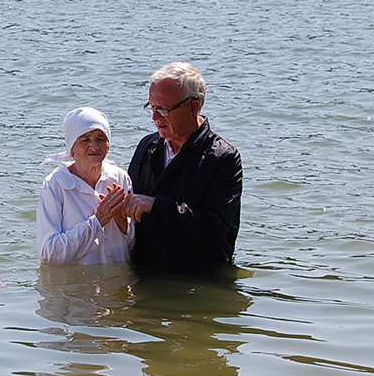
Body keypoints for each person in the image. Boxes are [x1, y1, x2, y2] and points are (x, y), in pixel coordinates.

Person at [123, 62, 242, 269]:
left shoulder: (223, 157)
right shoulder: (147, 146)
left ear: (193, 107)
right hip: (145, 272)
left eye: (163, 110)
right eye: (152, 107)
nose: (155, 118)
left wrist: (156, 206)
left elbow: (215, 228)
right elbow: (131, 207)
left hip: (198, 276)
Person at [37, 107, 133, 265]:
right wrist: (97, 221)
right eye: (85, 140)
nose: (94, 147)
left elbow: (134, 244)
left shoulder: (120, 178)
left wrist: (121, 220)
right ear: (72, 148)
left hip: (119, 278)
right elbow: (49, 254)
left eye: (100, 139)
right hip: (77, 280)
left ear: (108, 146)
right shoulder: (55, 185)